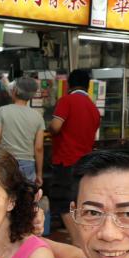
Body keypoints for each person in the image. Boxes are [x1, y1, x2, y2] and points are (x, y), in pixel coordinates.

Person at [49, 68, 100, 239]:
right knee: (78, 203)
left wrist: (49, 128)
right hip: (85, 163)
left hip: (66, 160)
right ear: (87, 86)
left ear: (69, 84)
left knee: (62, 203)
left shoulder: (67, 101)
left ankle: (79, 243)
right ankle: (83, 240)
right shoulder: (93, 108)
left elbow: (56, 126)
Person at [0, 76, 46, 185]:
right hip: (28, 164)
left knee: (6, 197)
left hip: (6, 161)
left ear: (14, 91)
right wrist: (39, 174)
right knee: (25, 198)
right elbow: (39, 148)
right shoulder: (38, 116)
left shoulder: (3, 111)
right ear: (32, 95)